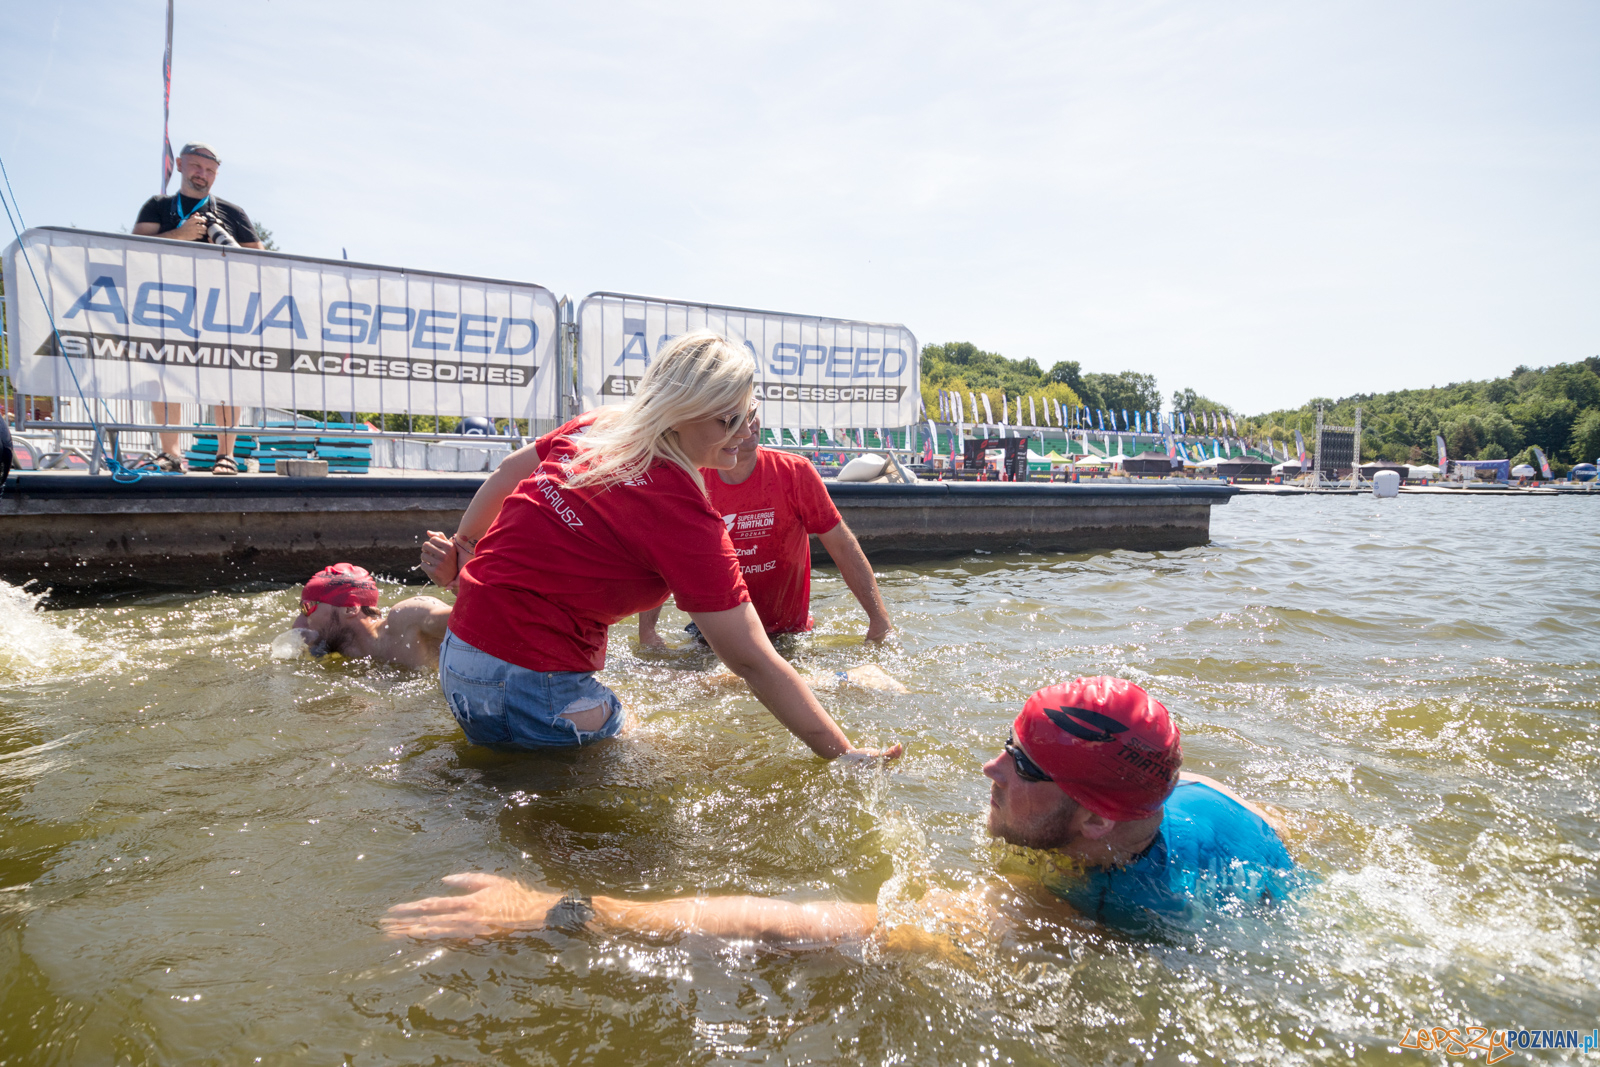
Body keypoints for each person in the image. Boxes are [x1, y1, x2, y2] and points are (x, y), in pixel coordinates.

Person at [384, 677, 1299, 943]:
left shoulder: (1058, 914)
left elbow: (817, 923)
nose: (988, 764)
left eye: (1019, 762)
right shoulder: (1214, 803)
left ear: (1096, 819)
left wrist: (559, 908)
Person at [417, 331, 899, 761]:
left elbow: (506, 474)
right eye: (727, 419)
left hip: (460, 660)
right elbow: (751, 658)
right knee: (684, 761)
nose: (743, 432)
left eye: (748, 414)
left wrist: (464, 550)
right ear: (680, 412)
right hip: (532, 688)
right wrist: (842, 753)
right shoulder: (683, 513)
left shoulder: (602, 426)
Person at [636, 409, 892, 649]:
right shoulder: (692, 480)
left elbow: (843, 546)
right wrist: (647, 632)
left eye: (753, 413)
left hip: (787, 633)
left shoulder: (795, 472)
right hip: (715, 634)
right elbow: (664, 555)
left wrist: (879, 620)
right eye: (736, 417)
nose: (751, 424)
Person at [132, 142, 264, 475]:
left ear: (216, 174)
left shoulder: (232, 212)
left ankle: (226, 455)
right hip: (168, 304)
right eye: (195, 166)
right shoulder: (158, 205)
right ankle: (171, 454)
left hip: (221, 308)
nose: (201, 174)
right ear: (179, 164)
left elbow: (260, 257)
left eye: (209, 170)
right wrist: (182, 234)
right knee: (164, 377)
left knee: (225, 379)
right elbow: (135, 247)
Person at [291, 563, 451, 669]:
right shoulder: (345, 660)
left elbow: (466, 620)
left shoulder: (407, 621)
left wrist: (457, 584)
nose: (297, 625)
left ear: (350, 608)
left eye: (307, 607)